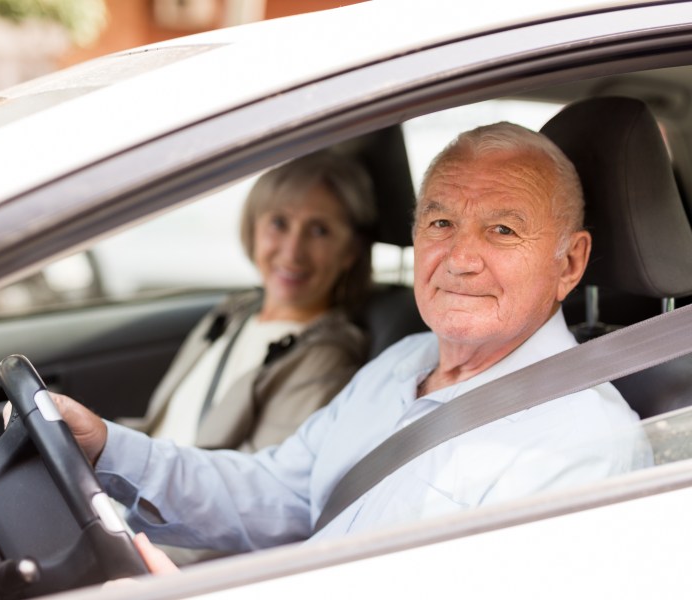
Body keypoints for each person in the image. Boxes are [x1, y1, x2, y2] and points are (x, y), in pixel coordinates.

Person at [49, 123, 650, 569]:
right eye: (440, 223)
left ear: (569, 264)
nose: (460, 259)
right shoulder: (401, 362)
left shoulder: (584, 445)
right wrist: (108, 450)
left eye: (502, 229)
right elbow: (278, 493)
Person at [119, 151, 376, 452]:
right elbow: (164, 426)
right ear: (253, 229)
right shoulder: (231, 313)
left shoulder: (326, 359)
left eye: (320, 230)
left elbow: (253, 485)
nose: (293, 252)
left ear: (350, 253)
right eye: (279, 223)